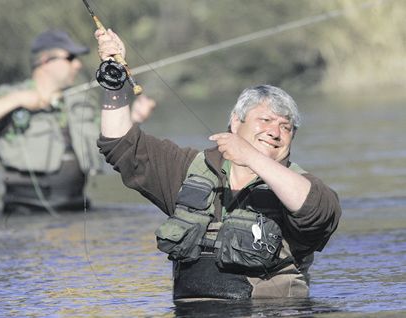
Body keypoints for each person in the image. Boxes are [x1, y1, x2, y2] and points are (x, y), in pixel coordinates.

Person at [94, 28, 341, 300]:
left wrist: (251, 157)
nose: (275, 131)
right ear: (236, 122)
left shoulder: (298, 185)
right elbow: (120, 145)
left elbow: (319, 212)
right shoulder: (188, 168)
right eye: (265, 120)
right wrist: (113, 79)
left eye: (286, 127)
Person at [0, 29, 156, 215]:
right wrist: (17, 100)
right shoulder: (11, 96)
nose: (77, 65)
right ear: (45, 61)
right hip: (25, 213)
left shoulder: (81, 102)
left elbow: (108, 138)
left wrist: (134, 118)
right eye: (70, 58)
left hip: (77, 209)